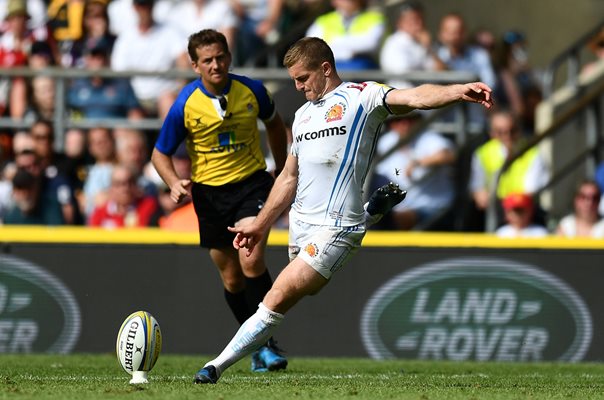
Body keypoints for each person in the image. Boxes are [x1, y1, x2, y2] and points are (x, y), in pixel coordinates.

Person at [192, 36, 493, 384]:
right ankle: (371, 213)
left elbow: (413, 96)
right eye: (293, 80)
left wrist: (457, 90)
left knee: (274, 298)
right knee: (306, 287)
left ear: (325, 68)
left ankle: (215, 366)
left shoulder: (362, 97)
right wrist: (261, 225)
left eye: (303, 78)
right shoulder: (302, 115)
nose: (298, 86)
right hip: (302, 226)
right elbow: (289, 177)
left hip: (338, 228)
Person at [151, 29, 290, 373]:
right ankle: (255, 348)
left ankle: (267, 342)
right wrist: (172, 183)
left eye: (221, 57)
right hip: (210, 197)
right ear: (195, 65)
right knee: (232, 280)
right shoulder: (185, 103)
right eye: (208, 60)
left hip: (252, 185)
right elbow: (160, 154)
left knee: (251, 258)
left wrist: (282, 168)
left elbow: (275, 125)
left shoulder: (252, 90)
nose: (216, 65)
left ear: (229, 56)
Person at [372, 111, 456, 230]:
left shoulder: (429, 138)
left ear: (417, 121)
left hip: (432, 206)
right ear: (391, 124)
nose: (404, 124)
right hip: (398, 207)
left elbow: (448, 155)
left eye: (410, 120)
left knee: (391, 219)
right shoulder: (386, 142)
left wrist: (418, 162)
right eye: (398, 121)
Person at [468, 110, 549, 228]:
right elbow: (478, 190)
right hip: (495, 209)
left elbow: (531, 190)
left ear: (519, 130)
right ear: (492, 133)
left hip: (522, 210)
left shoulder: (532, 153)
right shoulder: (482, 153)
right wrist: (481, 195)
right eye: (501, 132)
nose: (508, 136)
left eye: (512, 130)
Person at [379, 1, 444, 88]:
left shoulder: (424, 43)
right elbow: (404, 73)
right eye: (414, 19)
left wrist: (428, 47)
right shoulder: (394, 42)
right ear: (400, 23)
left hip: (423, 96)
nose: (419, 24)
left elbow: (441, 70)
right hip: (400, 96)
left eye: (421, 19)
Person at [305, 0, 386, 70]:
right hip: (330, 68)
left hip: (364, 71)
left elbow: (370, 44)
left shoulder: (375, 18)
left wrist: (333, 42)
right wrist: (350, 51)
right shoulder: (322, 21)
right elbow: (311, 47)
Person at [88, 163, 159, 227]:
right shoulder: (100, 213)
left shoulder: (148, 206)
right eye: (119, 184)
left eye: (130, 182)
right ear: (111, 188)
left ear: (136, 185)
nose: (125, 188)